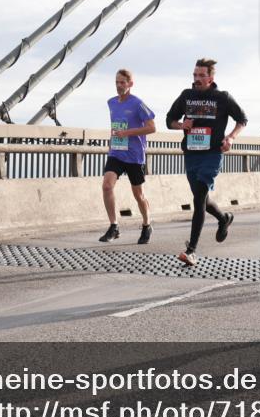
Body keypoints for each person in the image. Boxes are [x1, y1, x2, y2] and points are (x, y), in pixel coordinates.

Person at [166, 59, 247, 266]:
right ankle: (223, 219)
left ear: (211, 78)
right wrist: (182, 125)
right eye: (194, 75)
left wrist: (230, 137)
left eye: (201, 76)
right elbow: (169, 120)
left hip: (212, 154)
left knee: (199, 197)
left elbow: (242, 119)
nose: (197, 79)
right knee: (201, 199)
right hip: (191, 154)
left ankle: (191, 250)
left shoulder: (222, 97)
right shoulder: (187, 96)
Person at [99, 69, 156, 244]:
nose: (119, 86)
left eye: (122, 82)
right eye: (116, 82)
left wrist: (128, 133)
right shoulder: (111, 103)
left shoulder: (138, 104)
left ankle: (147, 225)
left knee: (138, 195)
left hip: (134, 155)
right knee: (107, 186)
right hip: (116, 152)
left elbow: (152, 127)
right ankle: (114, 226)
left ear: (130, 84)